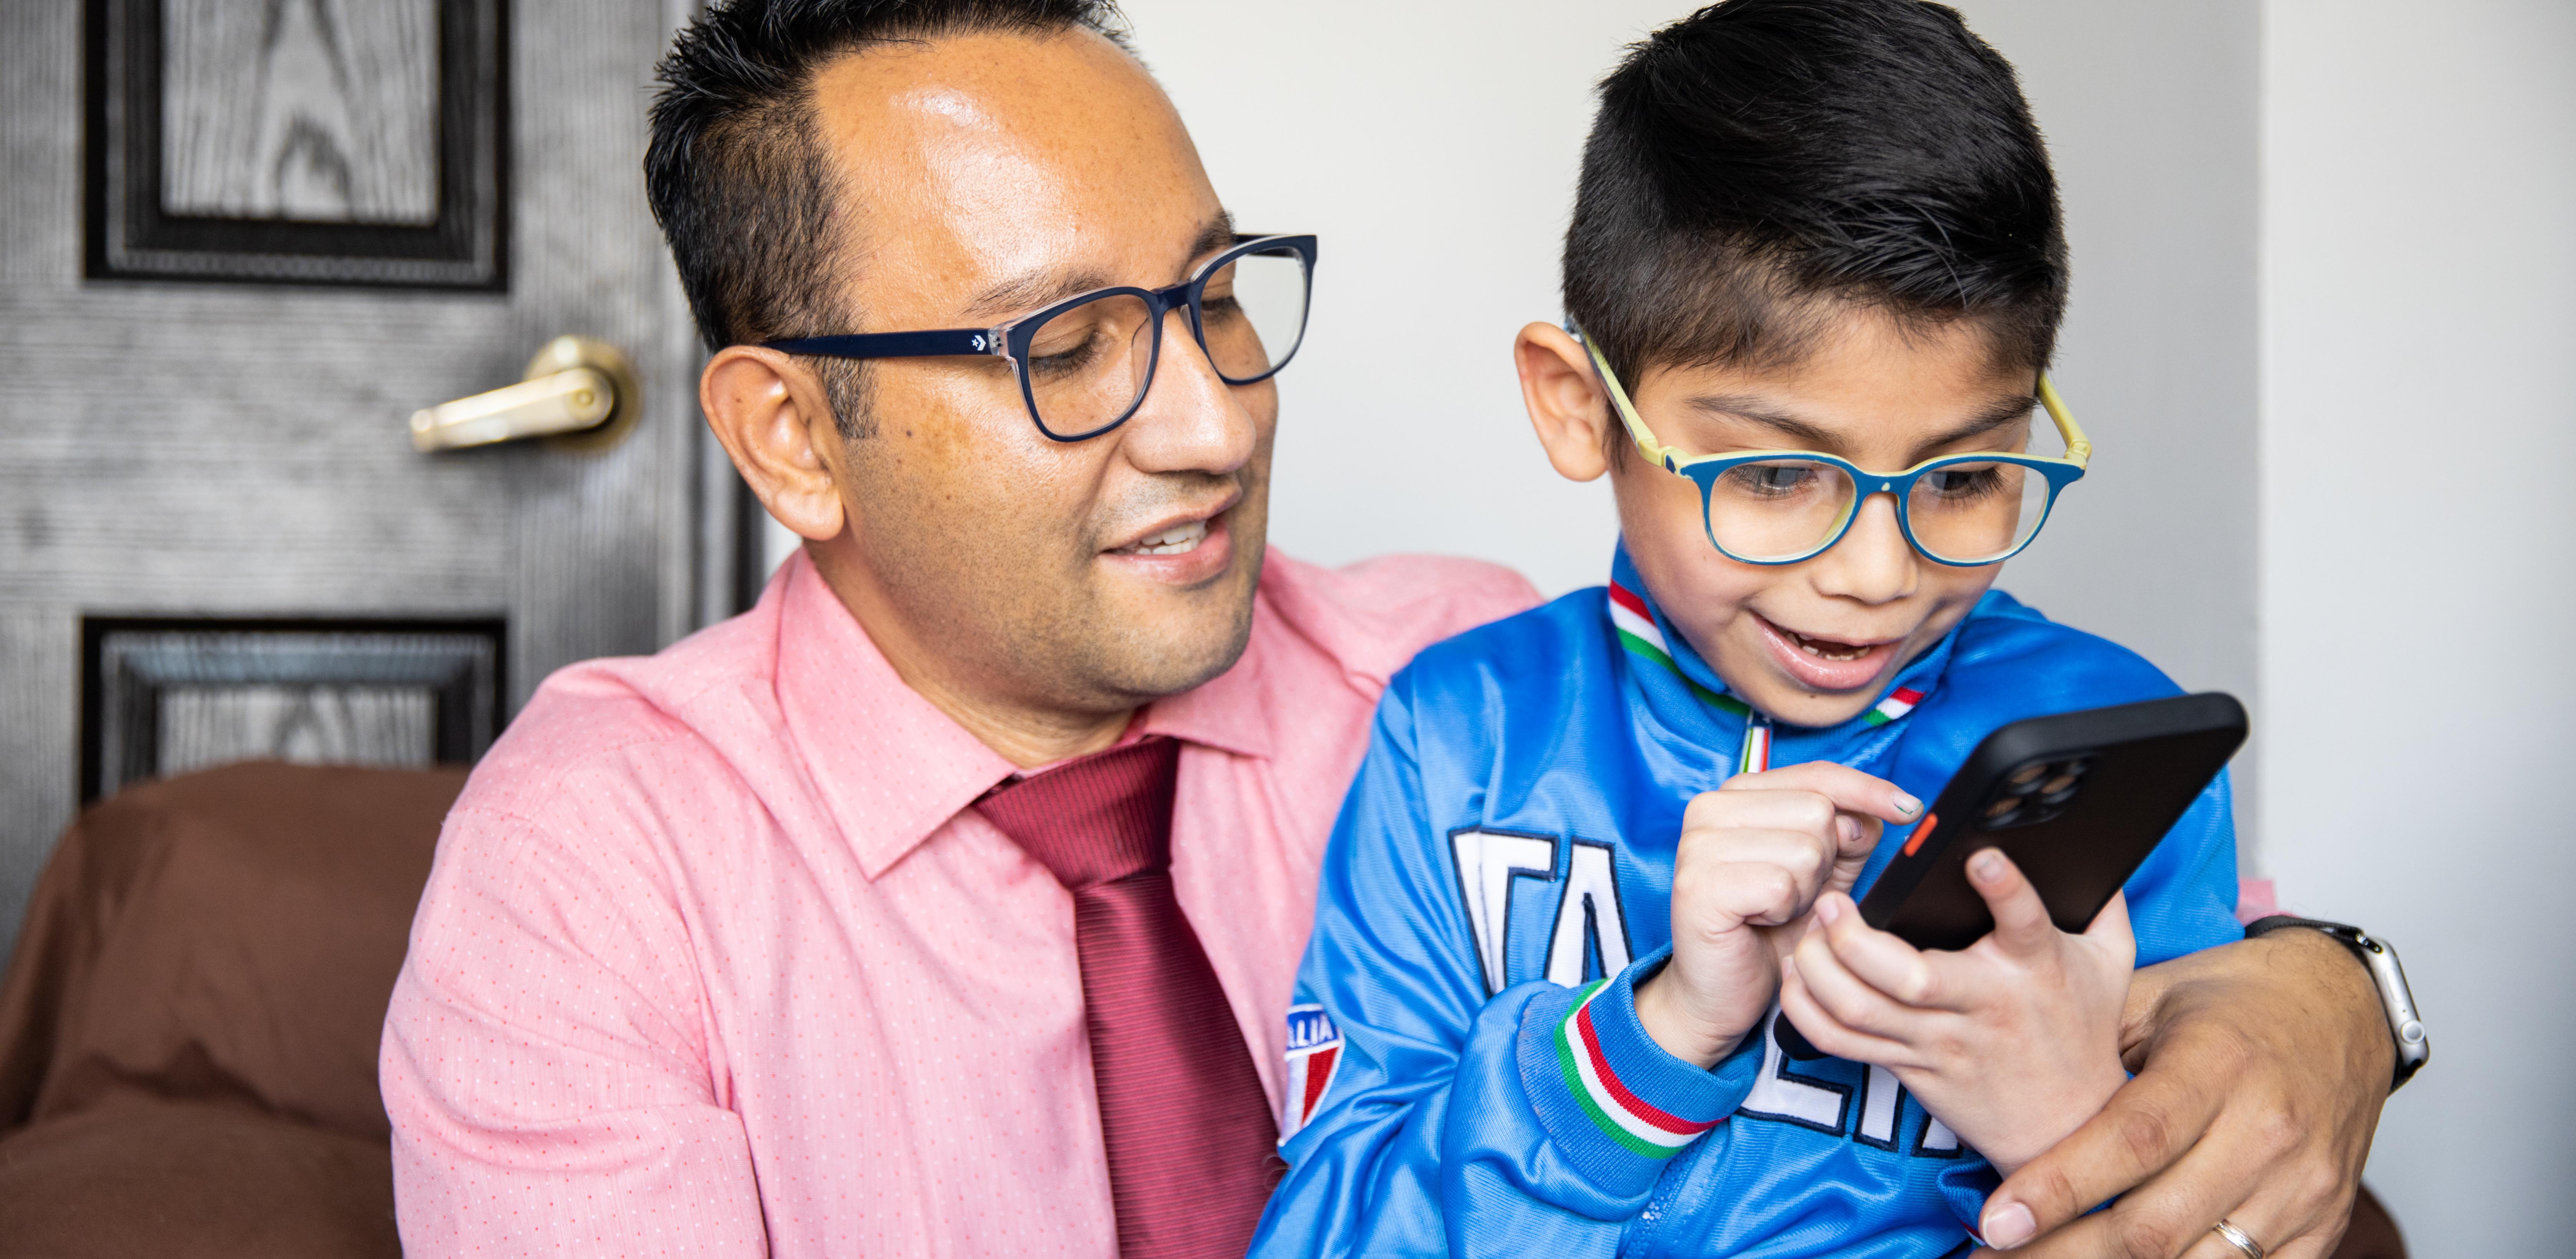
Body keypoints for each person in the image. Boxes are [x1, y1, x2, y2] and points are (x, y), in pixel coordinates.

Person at [380, 2, 2404, 1257]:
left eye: (1215, 295)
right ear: (789, 435)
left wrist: (2333, 1009)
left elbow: (2162, 925)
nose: (1211, 417)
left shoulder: (1454, 675)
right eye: (1069, 349)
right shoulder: (597, 871)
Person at [1253, 4, 2392, 1258]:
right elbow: (1324, 1235)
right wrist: (1656, 1035)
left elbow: (2241, 1211)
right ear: (1581, 407)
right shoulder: (1458, 733)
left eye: (1963, 480)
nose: (1876, 575)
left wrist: (2056, 1106)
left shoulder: (2104, 748)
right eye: (1778, 476)